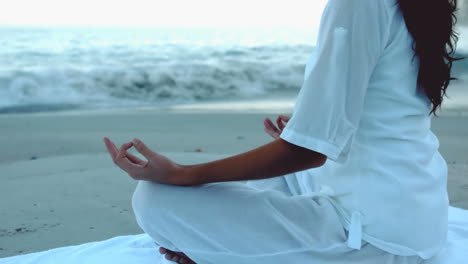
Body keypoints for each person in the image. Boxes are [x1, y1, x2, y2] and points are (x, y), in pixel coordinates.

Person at [103, 0, 464, 263]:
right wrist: (309, 132)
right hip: (414, 211)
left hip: (380, 239)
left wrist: (184, 173)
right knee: (256, 182)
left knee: (155, 199)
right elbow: (388, 109)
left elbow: (307, 154)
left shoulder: (358, 4)